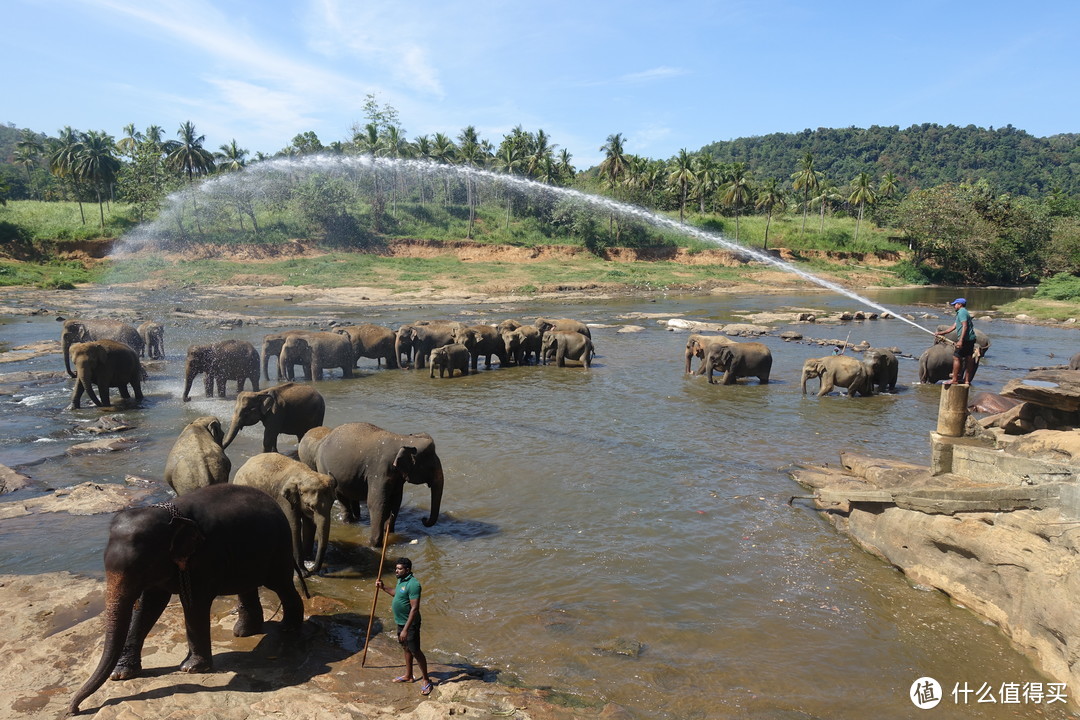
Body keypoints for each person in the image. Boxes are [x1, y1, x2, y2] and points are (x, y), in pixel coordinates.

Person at [376, 557, 434, 695]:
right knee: (406, 648)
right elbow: (397, 595)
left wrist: (406, 630)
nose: (397, 571)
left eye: (400, 569)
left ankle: (426, 680)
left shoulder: (414, 584)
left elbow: (414, 608)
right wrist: (383, 587)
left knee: (415, 651)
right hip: (400, 622)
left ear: (408, 570)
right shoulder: (401, 580)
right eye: (396, 568)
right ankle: (408, 675)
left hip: (410, 624)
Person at [934, 298, 977, 385]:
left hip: (965, 339)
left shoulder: (961, 312)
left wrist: (960, 340)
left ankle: (954, 380)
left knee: (956, 357)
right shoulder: (962, 312)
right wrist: (941, 333)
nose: (954, 306)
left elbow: (964, 326)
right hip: (970, 339)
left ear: (960, 304)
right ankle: (966, 380)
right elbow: (953, 327)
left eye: (955, 304)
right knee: (969, 358)